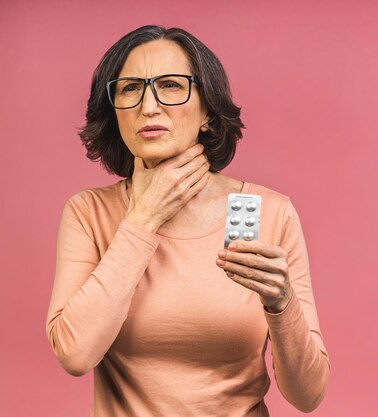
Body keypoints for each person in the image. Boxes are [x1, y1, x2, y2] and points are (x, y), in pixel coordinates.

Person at [45, 25, 329, 417]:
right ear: (114, 114)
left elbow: (308, 396)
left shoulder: (270, 212)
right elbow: (75, 355)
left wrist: (282, 305)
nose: (148, 107)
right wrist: (144, 218)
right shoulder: (89, 213)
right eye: (129, 89)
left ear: (208, 112)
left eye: (171, 85)